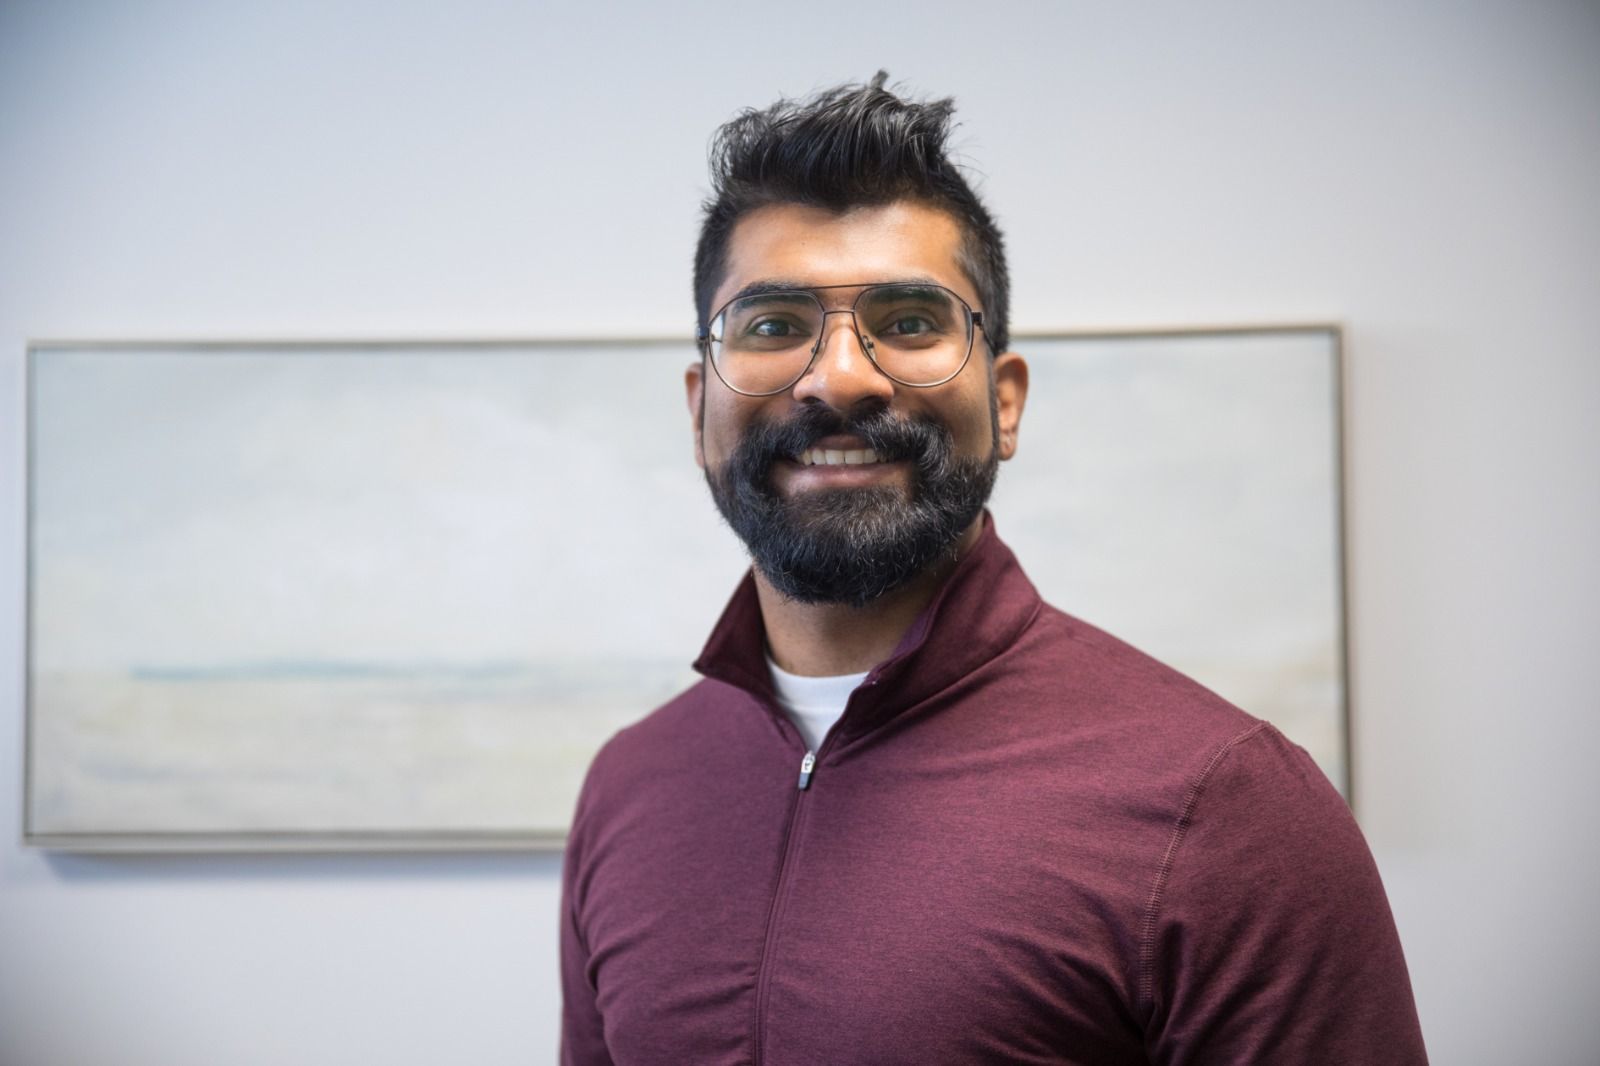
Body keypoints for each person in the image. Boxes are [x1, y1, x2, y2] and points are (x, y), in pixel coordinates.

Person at [559, 73, 1428, 1065]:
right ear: (697, 408)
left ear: (1005, 401)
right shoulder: (629, 787)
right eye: (770, 326)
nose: (840, 374)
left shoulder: (1227, 805)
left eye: (911, 321)